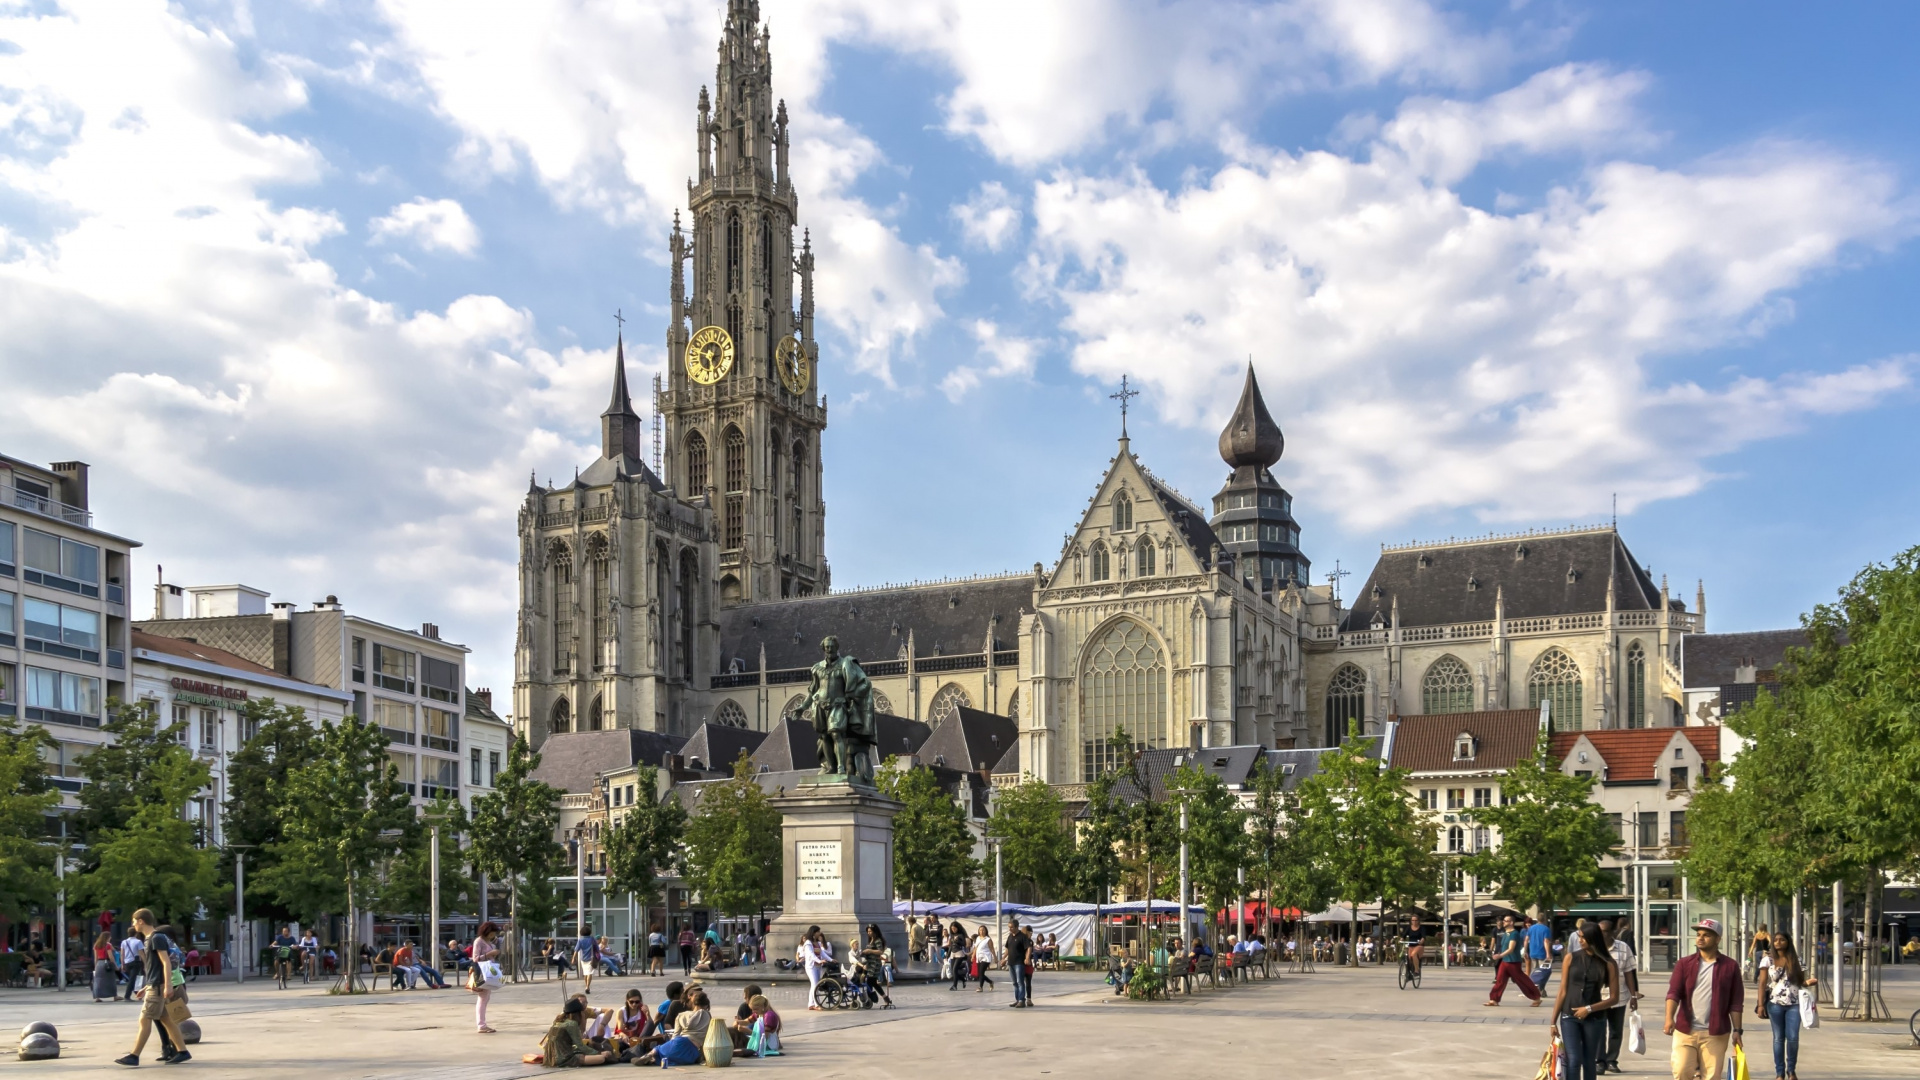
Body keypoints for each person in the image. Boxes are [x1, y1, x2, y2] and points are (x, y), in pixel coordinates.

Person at [1665, 918, 1744, 1080]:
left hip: (1715, 1033)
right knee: (1681, 1071)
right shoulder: (1684, 964)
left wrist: (1737, 1030)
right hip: (1685, 1030)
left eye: (1706, 935)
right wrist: (1669, 1018)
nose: (1700, 938)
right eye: (1699, 934)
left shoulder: (1730, 966)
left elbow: (1736, 1002)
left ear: (1718, 939)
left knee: (1712, 1076)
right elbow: (1673, 993)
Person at [114, 909, 190, 1066]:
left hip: (157, 987)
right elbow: (154, 967)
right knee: (165, 1018)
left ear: (141, 921)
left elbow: (165, 962)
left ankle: (134, 1055)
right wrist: (147, 986)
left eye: (134, 921)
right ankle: (182, 1051)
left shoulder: (156, 938)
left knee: (145, 1019)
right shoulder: (150, 938)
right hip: (154, 984)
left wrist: (167, 985)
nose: (133, 924)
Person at [1551, 922, 1622, 1080]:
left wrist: (1589, 1009)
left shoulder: (1609, 964)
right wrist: (1552, 1021)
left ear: (1593, 938)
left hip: (1594, 1019)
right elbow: (1562, 990)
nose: (1580, 940)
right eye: (1579, 937)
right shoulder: (1570, 958)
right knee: (1574, 1059)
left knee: (1589, 1061)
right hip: (1569, 1016)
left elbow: (1614, 998)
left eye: (1583, 937)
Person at [1755, 932, 1813, 1080]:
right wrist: (1760, 1005)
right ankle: (1779, 1073)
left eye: (1782, 940)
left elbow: (1800, 982)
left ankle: (1791, 1071)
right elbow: (1762, 984)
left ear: (1788, 942)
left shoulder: (1797, 960)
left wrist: (1808, 983)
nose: (1778, 942)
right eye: (1775, 940)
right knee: (1778, 1038)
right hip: (1775, 1004)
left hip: (1795, 1004)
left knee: (1793, 1037)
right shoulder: (1767, 960)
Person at [1596, 919, 1641, 1075]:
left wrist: (1633, 995)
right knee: (1599, 1031)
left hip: (1619, 997)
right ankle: (1599, 1061)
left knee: (1616, 1031)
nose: (1602, 934)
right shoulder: (1593, 947)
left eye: (1605, 931)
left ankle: (1611, 1061)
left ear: (1612, 932)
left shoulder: (1623, 948)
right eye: (1599, 931)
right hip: (1598, 998)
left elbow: (1629, 973)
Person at [521, 996, 620, 1067]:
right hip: (564, 1058)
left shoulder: (558, 1021)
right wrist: (599, 1053)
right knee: (601, 1058)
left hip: (550, 1058)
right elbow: (580, 1046)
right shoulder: (571, 1024)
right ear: (578, 1013)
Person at [1486, 914, 1542, 1007]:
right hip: (1505, 961)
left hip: (1513, 962)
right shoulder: (1505, 934)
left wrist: (1500, 956)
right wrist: (1498, 954)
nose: (1503, 922)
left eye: (1506, 921)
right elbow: (1503, 947)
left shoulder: (1514, 934)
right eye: (1504, 920)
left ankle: (1536, 997)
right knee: (1500, 980)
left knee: (1522, 981)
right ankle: (1494, 999)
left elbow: (1511, 949)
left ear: (1511, 922)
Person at [471, 921, 501, 1033]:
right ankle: (481, 1025)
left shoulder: (489, 942)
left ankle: (482, 1024)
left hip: (489, 972)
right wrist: (490, 954)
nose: (493, 935)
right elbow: (475, 958)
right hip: (483, 972)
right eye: (491, 933)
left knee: (485, 998)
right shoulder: (479, 941)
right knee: (483, 998)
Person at [1005, 918, 1034, 1008]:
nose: (1010, 929)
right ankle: (1017, 1000)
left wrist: (1027, 958)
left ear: (1017, 927)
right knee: (1014, 982)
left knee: (1020, 982)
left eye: (1012, 927)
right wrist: (1003, 958)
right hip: (1011, 962)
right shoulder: (1010, 936)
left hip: (1019, 962)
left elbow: (1029, 947)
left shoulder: (1022, 936)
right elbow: (1007, 948)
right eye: (1009, 927)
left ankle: (1022, 1000)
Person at [800, 926, 829, 1010]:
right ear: (813, 932)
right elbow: (811, 955)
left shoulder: (818, 943)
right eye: (818, 932)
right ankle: (817, 1004)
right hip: (811, 967)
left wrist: (831, 959)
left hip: (818, 966)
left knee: (814, 985)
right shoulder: (808, 943)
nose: (819, 933)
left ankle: (811, 1004)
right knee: (815, 984)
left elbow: (822, 953)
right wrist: (819, 961)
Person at [1527, 915, 1556, 995]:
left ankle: (1533, 989)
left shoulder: (1531, 928)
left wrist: (1525, 951)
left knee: (1535, 971)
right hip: (1542, 953)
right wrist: (1548, 953)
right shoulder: (1546, 929)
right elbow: (1546, 941)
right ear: (1544, 919)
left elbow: (1526, 940)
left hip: (1533, 952)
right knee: (1544, 972)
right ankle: (1541, 989)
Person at [119, 929, 145, 1001]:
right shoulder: (138, 942)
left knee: (131, 979)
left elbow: (122, 954)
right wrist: (145, 963)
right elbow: (141, 953)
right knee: (132, 979)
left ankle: (137, 994)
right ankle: (127, 996)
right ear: (136, 933)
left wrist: (122, 964)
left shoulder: (124, 942)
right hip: (135, 962)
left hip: (127, 962)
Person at [971, 924, 999, 992]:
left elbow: (992, 949)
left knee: (981, 972)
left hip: (986, 957)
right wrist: (973, 956)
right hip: (979, 957)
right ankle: (990, 982)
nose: (982, 931)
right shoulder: (978, 938)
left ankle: (980, 987)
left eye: (983, 930)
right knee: (980, 974)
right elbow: (975, 948)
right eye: (980, 930)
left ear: (986, 931)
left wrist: (995, 957)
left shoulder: (988, 939)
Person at [575, 924, 599, 992]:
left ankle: (586, 986)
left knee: (585, 973)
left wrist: (573, 958)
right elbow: (597, 948)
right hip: (591, 958)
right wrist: (597, 954)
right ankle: (587, 987)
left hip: (583, 959)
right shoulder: (592, 939)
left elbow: (576, 949)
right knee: (589, 973)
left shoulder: (580, 940)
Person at [947, 922, 970, 990]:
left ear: (957, 928)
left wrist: (958, 941)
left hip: (959, 953)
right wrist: (947, 955)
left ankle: (955, 986)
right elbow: (951, 946)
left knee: (955, 969)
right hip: (952, 953)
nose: (953, 930)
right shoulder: (952, 935)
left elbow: (964, 944)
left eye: (954, 928)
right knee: (953, 971)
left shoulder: (961, 935)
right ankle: (963, 979)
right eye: (952, 929)